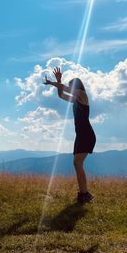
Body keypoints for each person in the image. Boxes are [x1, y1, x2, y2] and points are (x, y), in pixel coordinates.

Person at [43, 67, 96, 203]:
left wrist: (53, 83)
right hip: (81, 135)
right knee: (77, 164)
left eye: (72, 86)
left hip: (86, 134)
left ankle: (85, 194)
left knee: (78, 163)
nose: (70, 89)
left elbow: (65, 89)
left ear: (77, 87)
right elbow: (61, 95)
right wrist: (58, 81)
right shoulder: (76, 100)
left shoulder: (83, 96)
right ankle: (84, 193)